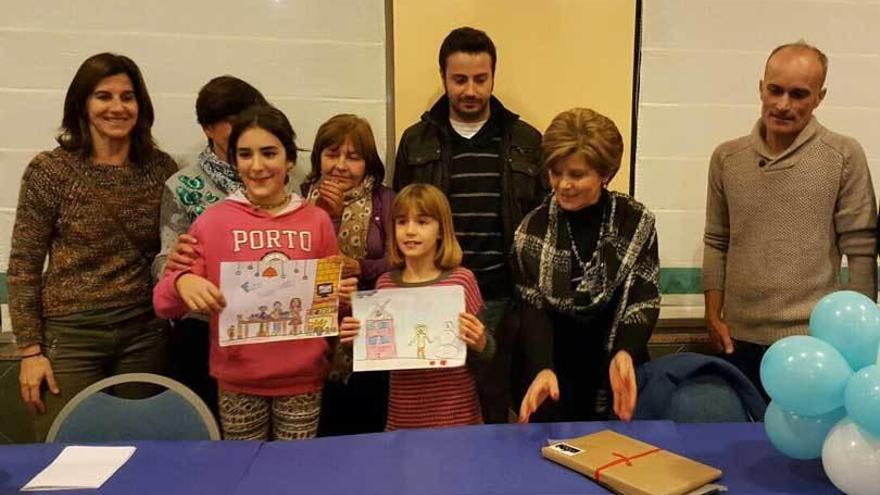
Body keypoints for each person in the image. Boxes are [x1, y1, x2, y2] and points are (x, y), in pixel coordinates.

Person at [9, 52, 178, 441]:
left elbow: (172, 249)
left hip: (143, 334)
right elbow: (23, 264)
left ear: (141, 105)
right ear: (82, 104)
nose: (117, 107)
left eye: (128, 96)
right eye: (104, 96)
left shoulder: (160, 169)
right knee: (66, 452)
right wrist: (31, 352)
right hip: (71, 338)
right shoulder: (50, 171)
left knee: (141, 449)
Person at [153, 105, 339, 440]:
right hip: (238, 381)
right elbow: (164, 304)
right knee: (243, 471)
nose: (257, 166)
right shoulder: (213, 222)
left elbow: (330, 303)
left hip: (302, 380)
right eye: (245, 154)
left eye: (269, 153)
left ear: (290, 160)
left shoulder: (317, 221)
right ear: (234, 162)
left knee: (294, 475)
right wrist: (182, 281)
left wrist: (343, 296)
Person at [703, 42, 877, 396]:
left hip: (815, 346)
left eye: (799, 94)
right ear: (761, 87)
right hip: (736, 341)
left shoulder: (843, 155)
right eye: (775, 90)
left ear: (819, 97)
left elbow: (861, 249)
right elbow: (716, 240)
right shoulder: (726, 158)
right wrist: (713, 315)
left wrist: (859, 336)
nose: (783, 104)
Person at [393, 26, 544, 423]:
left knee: (492, 403)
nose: (471, 90)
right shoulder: (415, 140)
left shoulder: (525, 139)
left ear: (494, 76)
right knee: (434, 404)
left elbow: (543, 223)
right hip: (432, 292)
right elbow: (402, 214)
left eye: (481, 79)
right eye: (460, 80)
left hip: (500, 297)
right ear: (442, 77)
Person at [514, 108, 660, 424]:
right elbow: (532, 309)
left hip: (618, 369)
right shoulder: (531, 231)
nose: (563, 185)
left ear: (605, 174)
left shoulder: (635, 222)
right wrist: (541, 366)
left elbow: (642, 300)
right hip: (553, 375)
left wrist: (625, 352)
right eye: (555, 172)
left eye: (577, 175)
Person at [152, 76, 267, 416]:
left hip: (266, 328)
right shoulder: (184, 185)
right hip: (205, 331)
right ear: (207, 128)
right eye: (231, 121)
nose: (243, 128)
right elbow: (164, 260)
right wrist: (178, 272)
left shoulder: (274, 177)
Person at [339, 184, 493, 430]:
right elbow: (377, 357)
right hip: (404, 416)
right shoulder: (386, 284)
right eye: (401, 222)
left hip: (458, 415)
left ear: (441, 230)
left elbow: (486, 354)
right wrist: (353, 341)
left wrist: (481, 342)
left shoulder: (462, 280)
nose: (410, 231)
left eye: (422, 222)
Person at [301, 114, 395, 435]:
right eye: (332, 154)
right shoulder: (298, 201)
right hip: (315, 336)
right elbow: (292, 266)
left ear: (368, 164)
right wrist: (329, 217)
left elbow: (402, 261)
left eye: (353, 157)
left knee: (368, 429)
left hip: (373, 333)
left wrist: (362, 267)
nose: (340, 165)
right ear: (318, 158)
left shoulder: (385, 200)